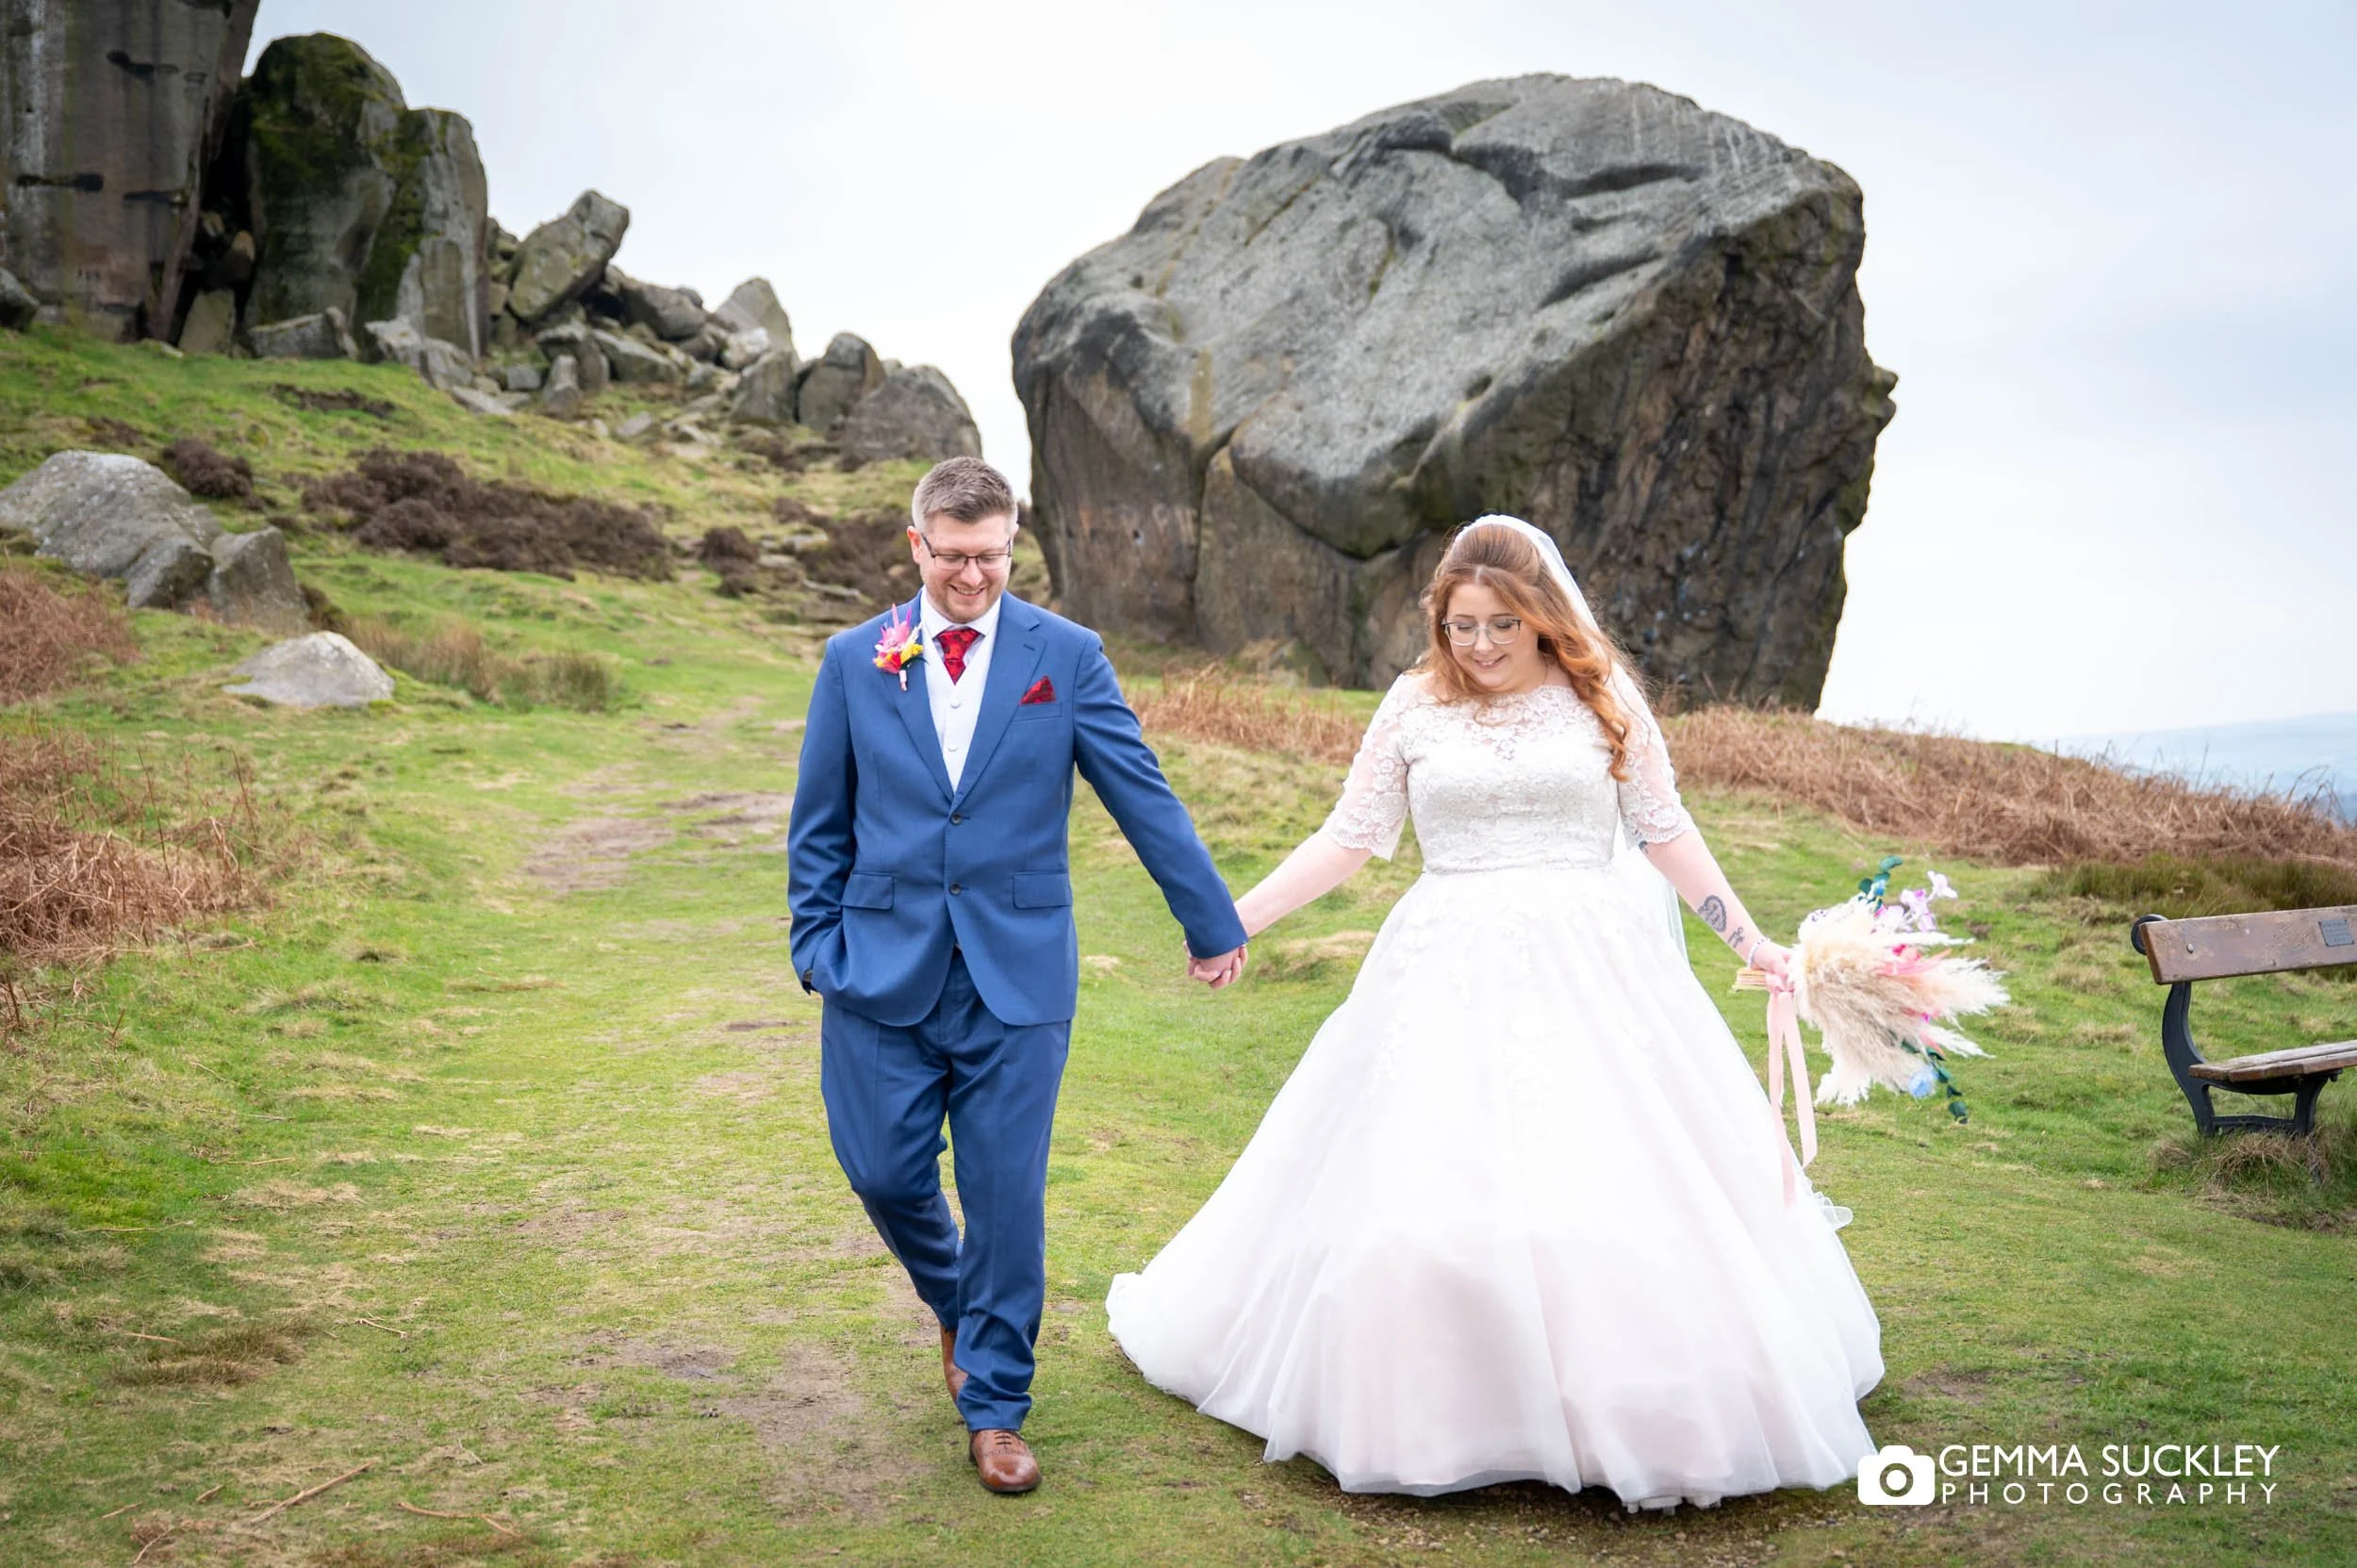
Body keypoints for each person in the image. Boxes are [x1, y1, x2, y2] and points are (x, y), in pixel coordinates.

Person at [1106, 516, 1884, 1509]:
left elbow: (1665, 832)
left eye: (1500, 627)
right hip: (1442, 963)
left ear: (1541, 619)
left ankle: (1627, 1395)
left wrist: (1753, 942)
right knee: (1425, 1170)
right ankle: (1444, 1397)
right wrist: (1230, 921)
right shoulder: (1411, 708)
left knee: (1609, 1171)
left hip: (1594, 966)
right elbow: (1350, 838)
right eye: (1461, 625)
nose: (1477, 646)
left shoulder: (1602, 701)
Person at [788, 456, 1247, 1495]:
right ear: (917, 546)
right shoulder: (856, 659)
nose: (972, 578)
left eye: (990, 557)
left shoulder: (1066, 656)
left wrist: (1209, 920)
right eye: (952, 558)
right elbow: (820, 820)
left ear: (1011, 545)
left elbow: (1141, 791)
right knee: (881, 1169)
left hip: (1018, 973)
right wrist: (815, 946)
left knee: (1005, 1196)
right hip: (877, 969)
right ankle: (959, 1300)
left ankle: (995, 1405)